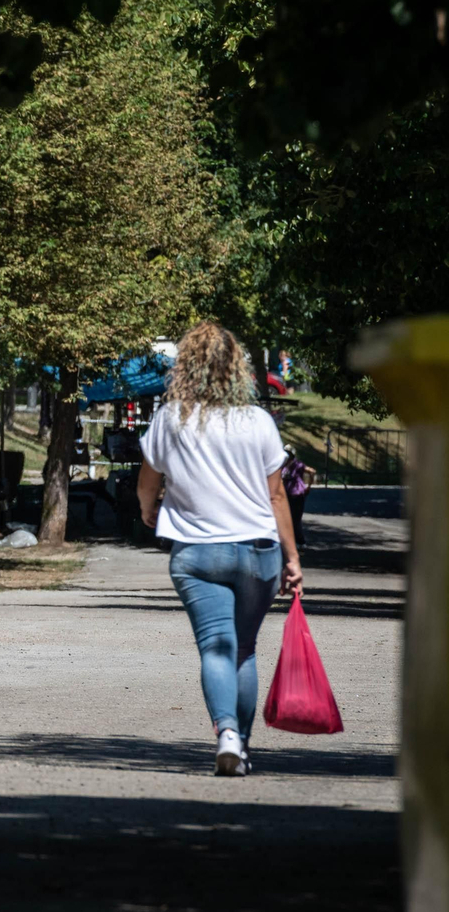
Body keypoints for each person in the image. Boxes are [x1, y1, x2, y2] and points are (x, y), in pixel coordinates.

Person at [138, 321, 303, 777]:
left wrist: (150, 511)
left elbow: (147, 483)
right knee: (244, 650)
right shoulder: (258, 422)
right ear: (237, 368)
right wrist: (292, 557)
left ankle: (226, 733)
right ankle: (242, 747)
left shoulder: (171, 418)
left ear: (185, 368)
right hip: (258, 551)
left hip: (196, 553)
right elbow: (276, 497)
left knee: (215, 647)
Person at [280, 444, 315, 545]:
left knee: (295, 519)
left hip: (297, 494)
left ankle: (300, 542)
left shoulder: (297, 465)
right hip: (287, 495)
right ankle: (289, 542)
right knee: (286, 518)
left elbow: (312, 471)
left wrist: (308, 486)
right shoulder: (283, 465)